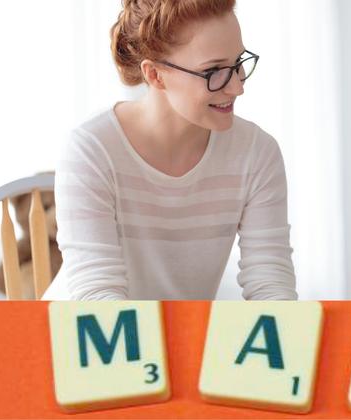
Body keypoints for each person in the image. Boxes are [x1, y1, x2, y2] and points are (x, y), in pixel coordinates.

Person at [42, 0, 296, 300]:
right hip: (85, 338)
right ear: (155, 75)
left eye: (238, 63)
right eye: (214, 71)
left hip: (179, 340)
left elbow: (270, 284)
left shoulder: (256, 153)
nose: (237, 87)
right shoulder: (91, 149)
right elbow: (97, 296)